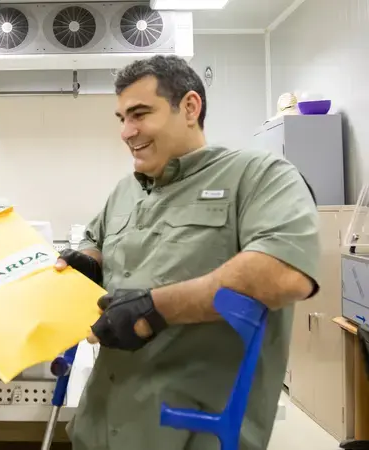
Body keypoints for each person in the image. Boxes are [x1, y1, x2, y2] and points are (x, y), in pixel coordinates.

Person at [55, 55, 320, 450]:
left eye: (140, 114)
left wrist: (154, 310)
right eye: (121, 118)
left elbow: (283, 272)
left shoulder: (260, 176)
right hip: (98, 426)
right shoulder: (125, 191)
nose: (127, 131)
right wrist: (88, 263)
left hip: (189, 433)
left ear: (190, 107)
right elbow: (96, 241)